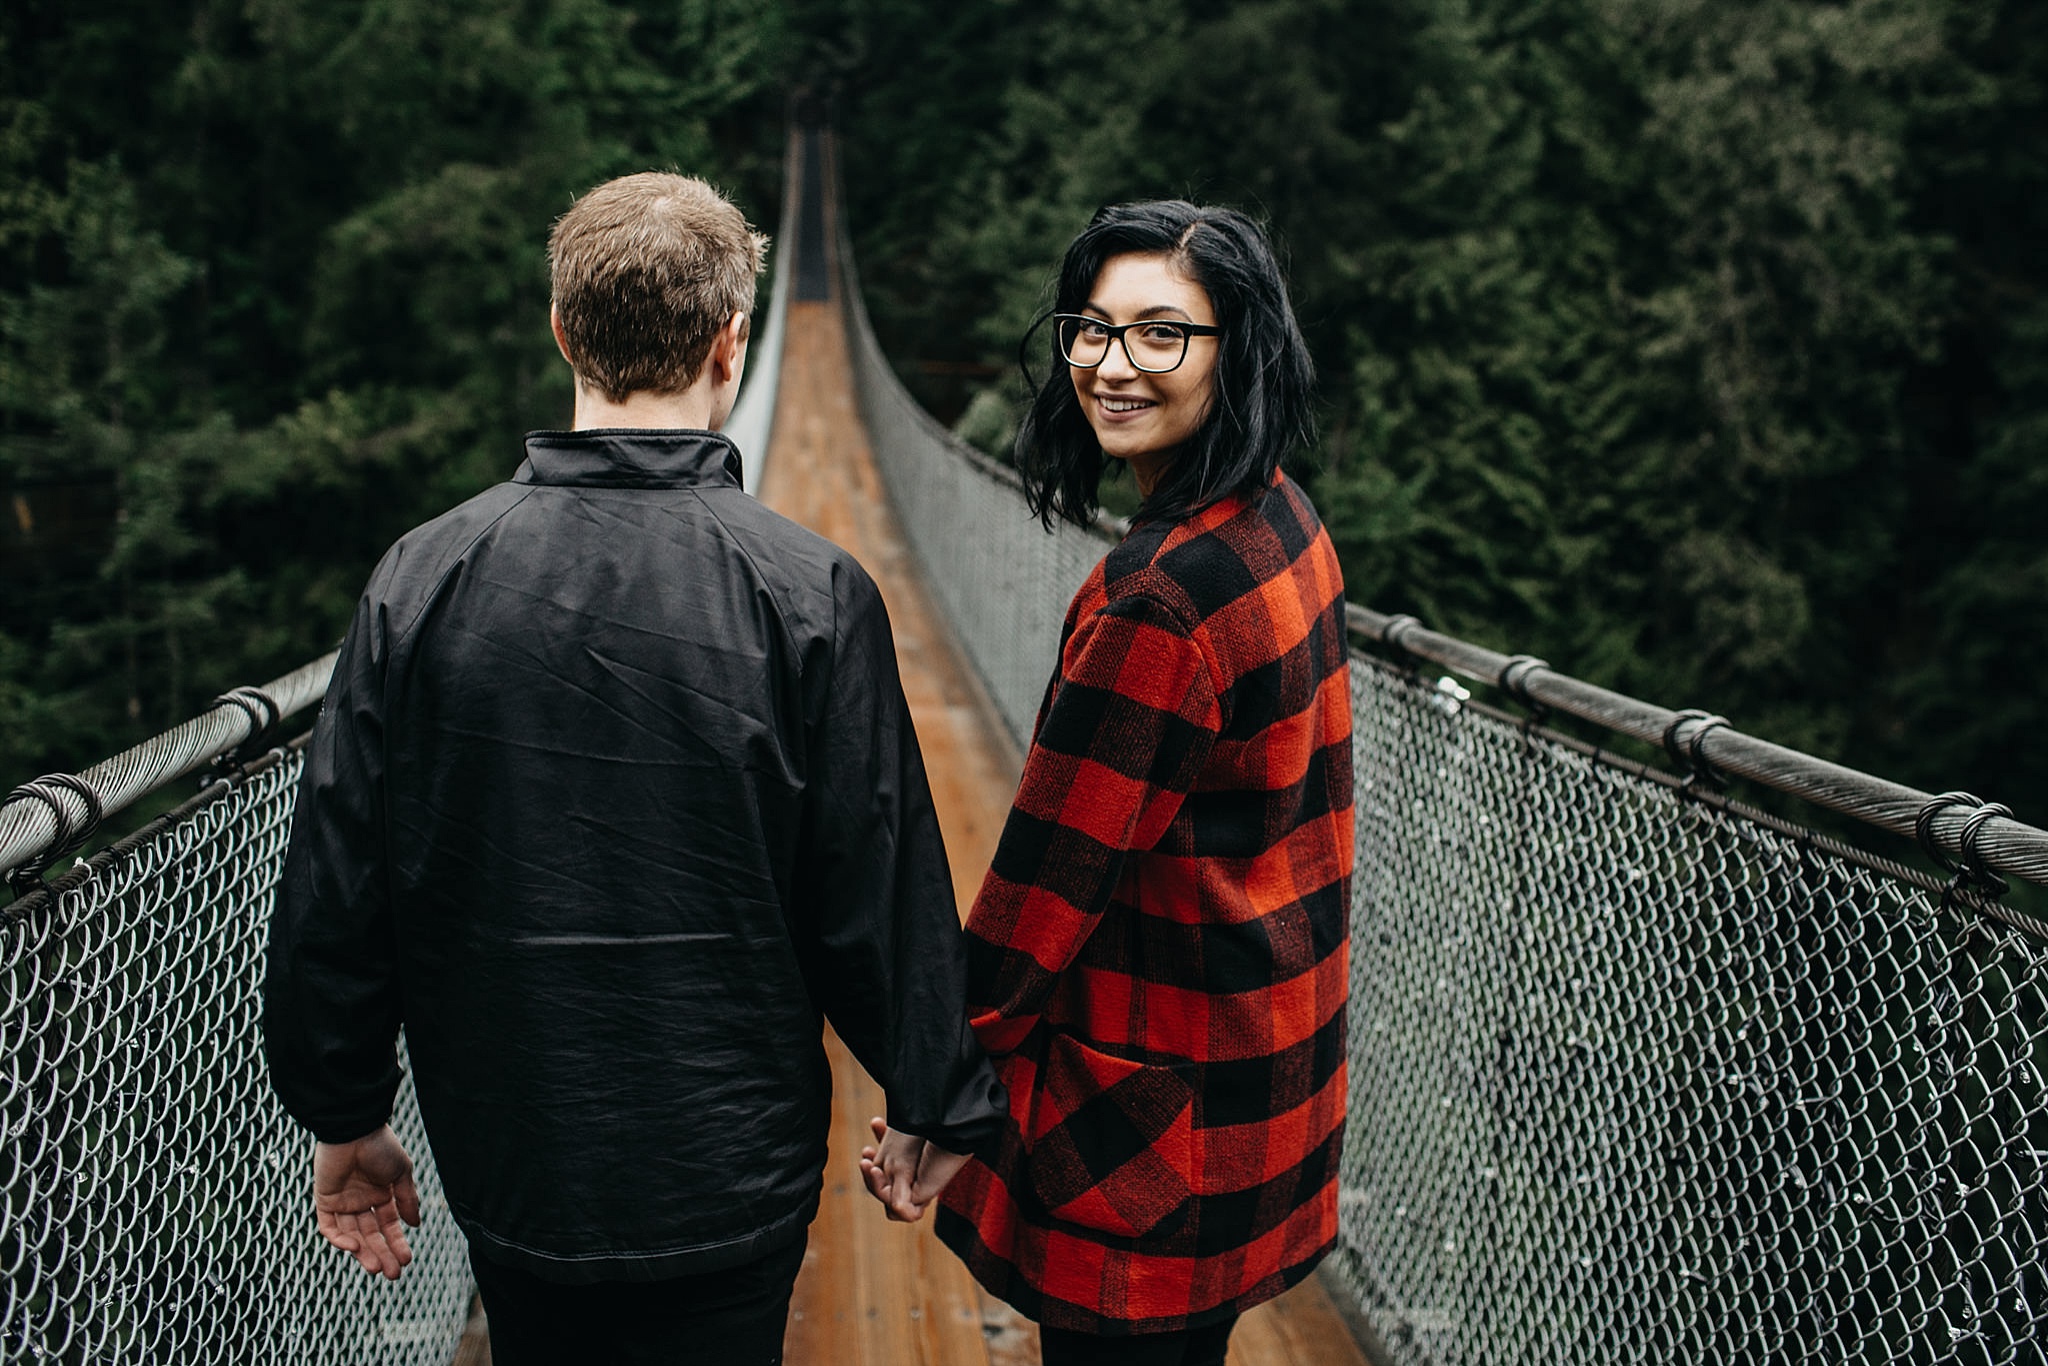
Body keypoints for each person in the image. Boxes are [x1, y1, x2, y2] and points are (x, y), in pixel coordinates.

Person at [264, 171, 1005, 1365]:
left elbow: (341, 887)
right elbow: (874, 888)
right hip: (731, 1169)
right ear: (732, 342)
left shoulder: (421, 576)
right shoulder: (809, 593)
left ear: (561, 331)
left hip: (517, 1160)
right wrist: (937, 1096)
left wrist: (344, 1108)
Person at [861, 201, 1354, 1366]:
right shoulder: (1280, 521)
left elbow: (1046, 886)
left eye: (1159, 334)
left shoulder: (1160, 603)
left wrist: (942, 1091)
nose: (1111, 363)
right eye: (1090, 327)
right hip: (1256, 1076)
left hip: (1152, 1132)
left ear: (1238, 352)